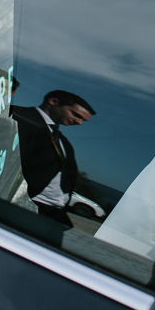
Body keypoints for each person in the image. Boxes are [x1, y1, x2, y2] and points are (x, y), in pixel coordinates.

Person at [11, 89, 95, 227]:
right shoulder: (18, 116)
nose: (79, 122)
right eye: (76, 115)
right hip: (27, 206)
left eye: (83, 120)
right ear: (53, 102)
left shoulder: (63, 141)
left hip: (56, 214)